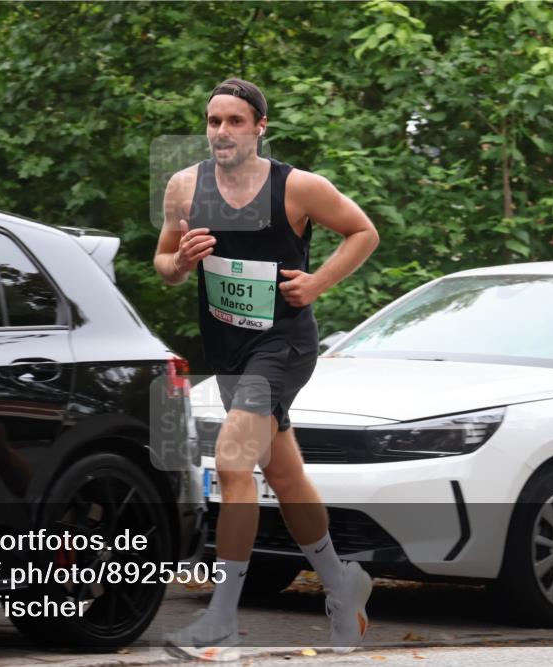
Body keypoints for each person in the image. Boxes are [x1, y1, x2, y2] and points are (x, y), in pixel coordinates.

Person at [154, 78, 380, 661]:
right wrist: (179, 261)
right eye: (213, 121)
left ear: (260, 128)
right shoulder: (184, 186)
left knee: (233, 462)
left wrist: (318, 281)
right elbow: (164, 262)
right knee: (282, 474)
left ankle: (221, 619)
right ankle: (341, 583)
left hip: (283, 344)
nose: (222, 132)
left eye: (234, 121)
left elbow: (363, 231)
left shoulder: (298, 187)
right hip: (227, 347)